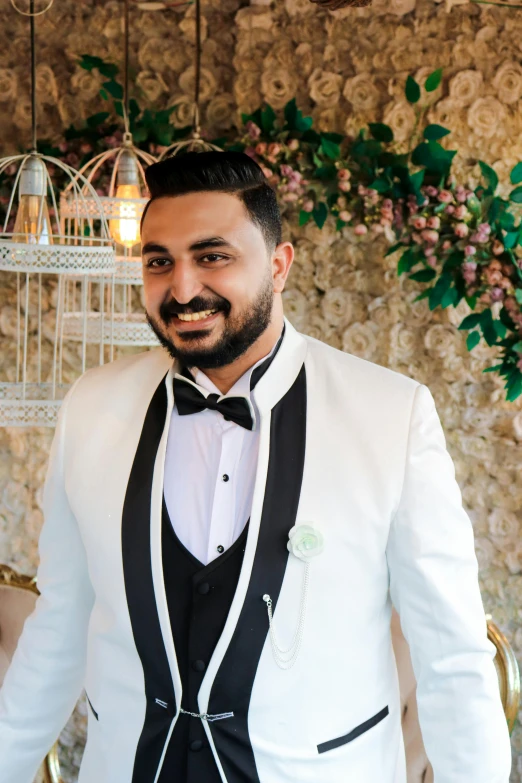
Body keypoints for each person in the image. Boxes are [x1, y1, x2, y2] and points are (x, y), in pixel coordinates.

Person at [0, 151, 511, 783]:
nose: (182, 288)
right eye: (159, 261)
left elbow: (451, 659)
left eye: (212, 256)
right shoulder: (91, 408)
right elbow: (58, 627)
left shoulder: (391, 415)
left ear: (278, 265)